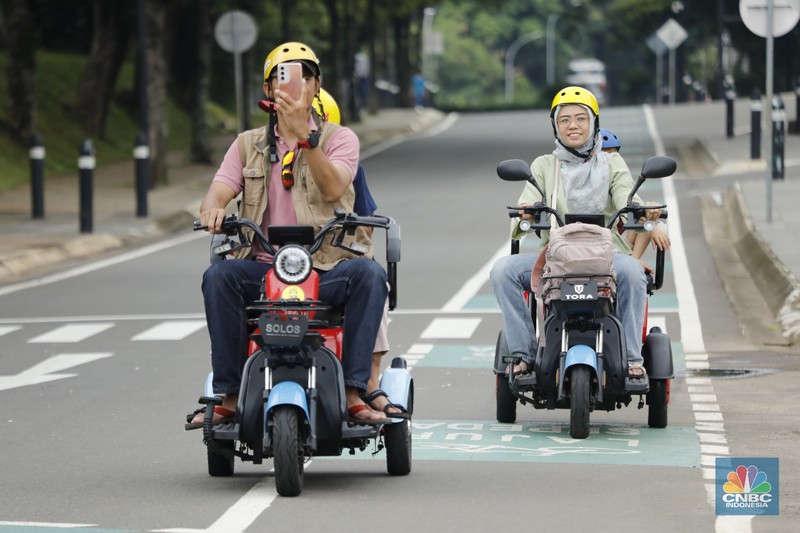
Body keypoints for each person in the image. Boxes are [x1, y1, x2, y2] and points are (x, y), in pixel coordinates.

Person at [188, 42, 389, 428]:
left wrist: (305, 139)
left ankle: (353, 391)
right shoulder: (247, 144)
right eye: (283, 77)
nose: (295, 85)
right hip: (263, 268)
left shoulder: (340, 139)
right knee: (218, 276)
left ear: (316, 86)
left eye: (304, 76)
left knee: (370, 274)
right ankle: (228, 395)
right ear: (268, 90)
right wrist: (213, 207)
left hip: (328, 267)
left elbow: (334, 189)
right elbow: (218, 190)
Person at [489, 86, 662, 379]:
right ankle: (523, 354)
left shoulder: (612, 162)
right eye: (564, 119)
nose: (573, 126)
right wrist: (529, 210)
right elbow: (525, 207)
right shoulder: (544, 165)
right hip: (556, 258)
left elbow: (625, 195)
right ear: (555, 126)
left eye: (581, 118)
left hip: (608, 257)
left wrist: (641, 209)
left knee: (632, 273)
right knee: (502, 270)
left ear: (593, 122)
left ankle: (632, 358)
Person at [311, 88, 408, 419]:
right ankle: (234, 390)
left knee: (371, 276)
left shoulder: (348, 167)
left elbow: (365, 228)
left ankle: (367, 380)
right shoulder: (263, 157)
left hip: (333, 267)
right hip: (280, 269)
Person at [600, 128, 671, 272]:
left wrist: (653, 223)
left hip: (617, 242)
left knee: (649, 219)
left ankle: (633, 261)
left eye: (614, 156)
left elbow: (629, 200)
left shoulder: (619, 178)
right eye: (605, 156)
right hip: (585, 244)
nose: (611, 161)